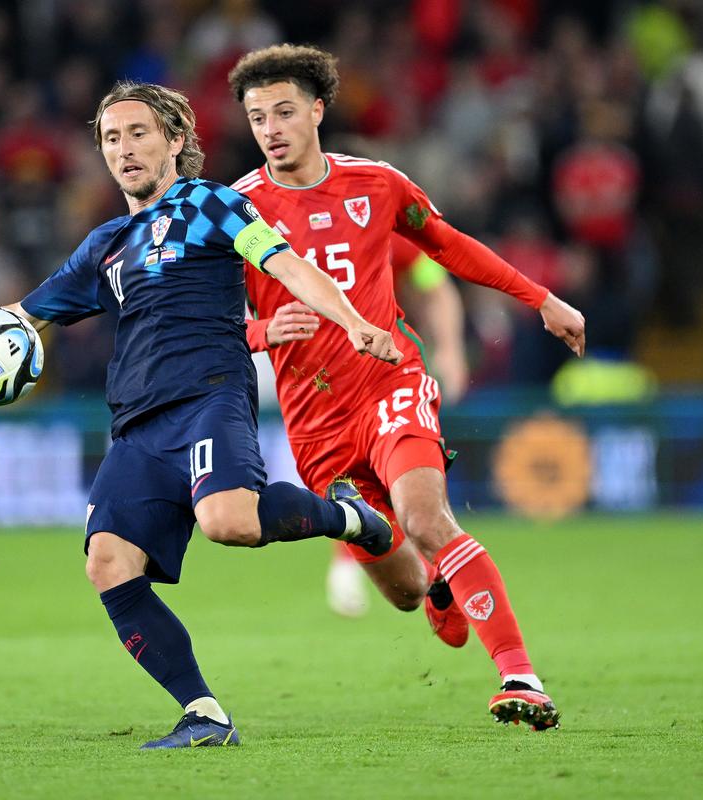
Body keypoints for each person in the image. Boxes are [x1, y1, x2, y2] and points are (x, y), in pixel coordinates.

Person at [0, 81, 404, 749]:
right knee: (108, 561)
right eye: (111, 138)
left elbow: (289, 267)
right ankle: (204, 713)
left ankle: (350, 517)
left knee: (228, 522)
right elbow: (11, 322)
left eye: (139, 133)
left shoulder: (213, 203)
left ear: (175, 140)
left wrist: (349, 321)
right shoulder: (107, 244)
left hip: (208, 394)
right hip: (139, 426)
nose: (125, 148)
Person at [228, 44, 585, 731]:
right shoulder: (236, 212)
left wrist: (540, 298)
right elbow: (198, 325)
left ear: (317, 111)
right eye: (256, 117)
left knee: (426, 518)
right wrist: (260, 334)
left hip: (390, 383)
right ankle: (441, 590)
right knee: (404, 587)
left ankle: (520, 675)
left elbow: (447, 248)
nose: (270, 128)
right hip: (316, 427)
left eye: (283, 111)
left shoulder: (377, 185)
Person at [325, 240, 468, 618]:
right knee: (356, 476)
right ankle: (419, 568)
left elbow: (435, 285)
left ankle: (437, 565)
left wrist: (451, 349)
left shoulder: (383, 232)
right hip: (319, 380)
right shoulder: (277, 221)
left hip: (389, 370)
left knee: (406, 470)